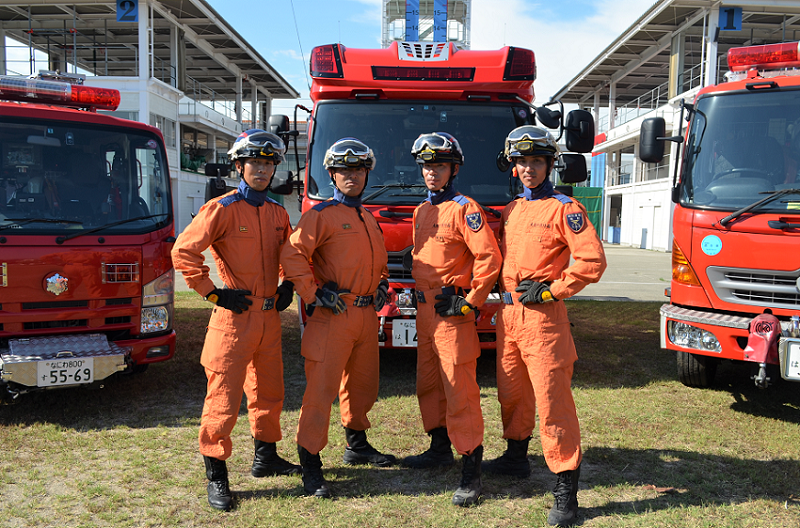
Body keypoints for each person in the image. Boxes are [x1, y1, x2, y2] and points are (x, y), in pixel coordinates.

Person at [484, 125, 607, 527]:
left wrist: (554, 290)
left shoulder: (565, 208)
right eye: (522, 162)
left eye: (537, 161)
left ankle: (566, 487)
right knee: (511, 391)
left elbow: (591, 262)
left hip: (544, 321)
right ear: (513, 166)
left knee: (553, 404)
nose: (528, 169)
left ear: (550, 164)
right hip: (509, 318)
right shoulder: (512, 209)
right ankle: (517, 457)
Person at [171, 129, 300, 511]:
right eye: (254, 163)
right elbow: (184, 252)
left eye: (268, 163)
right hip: (232, 318)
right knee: (223, 399)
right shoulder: (221, 209)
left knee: (269, 392)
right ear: (240, 166)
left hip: (268, 320)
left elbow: (292, 255)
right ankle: (217, 475)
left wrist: (289, 283)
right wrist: (213, 293)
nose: (262, 170)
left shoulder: (278, 213)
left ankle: (266, 456)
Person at [279, 138, 396, 499]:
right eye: (344, 170)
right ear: (331, 174)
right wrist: (312, 293)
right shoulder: (320, 215)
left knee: (363, 386)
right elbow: (293, 255)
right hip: (334, 315)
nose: (352, 176)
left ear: (367, 174)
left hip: (364, 315)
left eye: (358, 169)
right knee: (321, 392)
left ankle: (356, 443)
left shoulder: (367, 217)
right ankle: (311, 463)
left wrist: (382, 284)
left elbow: (375, 262)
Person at [401, 132, 502, 507]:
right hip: (425, 313)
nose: (432, 172)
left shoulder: (466, 209)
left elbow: (488, 259)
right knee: (428, 384)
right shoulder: (421, 210)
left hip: (452, 314)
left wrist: (470, 301)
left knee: (460, 391)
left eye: (439, 166)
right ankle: (438, 447)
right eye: (427, 166)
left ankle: (470, 468)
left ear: (453, 169)